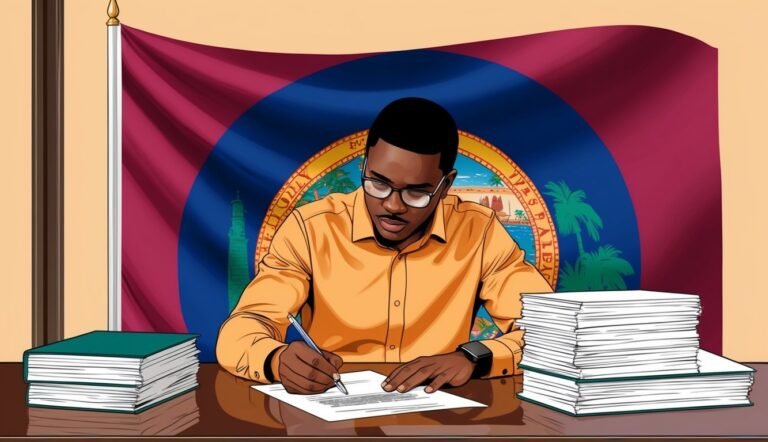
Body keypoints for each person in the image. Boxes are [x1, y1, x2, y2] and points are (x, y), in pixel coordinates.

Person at [216, 97, 552, 395]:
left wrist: (474, 358)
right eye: (378, 183)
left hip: (440, 421)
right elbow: (241, 330)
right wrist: (276, 360)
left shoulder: (480, 233)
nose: (392, 205)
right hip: (333, 422)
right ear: (364, 167)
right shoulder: (310, 229)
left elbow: (551, 334)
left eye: (417, 192)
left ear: (445, 185)